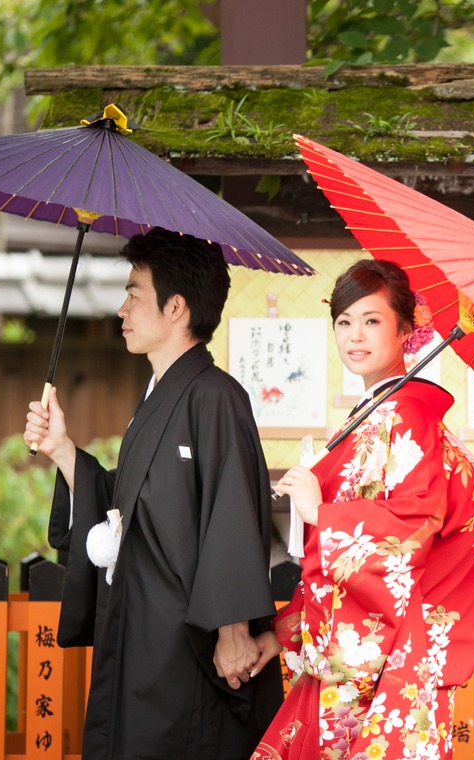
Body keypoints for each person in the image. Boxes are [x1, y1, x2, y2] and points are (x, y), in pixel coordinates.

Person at [24, 227, 283, 760]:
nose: (122, 309)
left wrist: (234, 629)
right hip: (142, 628)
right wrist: (64, 449)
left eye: (134, 293)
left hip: (185, 644)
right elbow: (128, 507)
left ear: (176, 308)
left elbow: (231, 511)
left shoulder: (216, 398)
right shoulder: (156, 398)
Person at [251, 259, 474, 759]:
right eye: (343, 322)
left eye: (371, 320)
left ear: (407, 330)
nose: (354, 336)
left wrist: (322, 513)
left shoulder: (405, 415)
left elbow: (413, 523)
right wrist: (288, 630)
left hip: (387, 660)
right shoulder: (380, 413)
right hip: (372, 649)